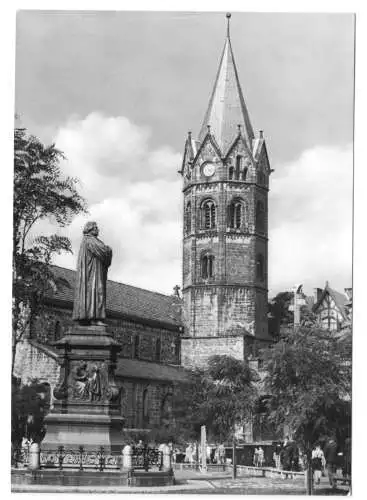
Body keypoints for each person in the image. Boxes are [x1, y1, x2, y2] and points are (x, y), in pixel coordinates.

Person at [73, 221, 112, 324]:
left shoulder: (86, 241)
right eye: (96, 228)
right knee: (96, 292)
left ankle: (87, 318)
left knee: (92, 294)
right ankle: (95, 318)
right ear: (90, 229)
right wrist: (109, 249)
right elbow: (103, 251)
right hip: (93, 274)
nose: (98, 230)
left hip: (92, 272)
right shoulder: (90, 240)